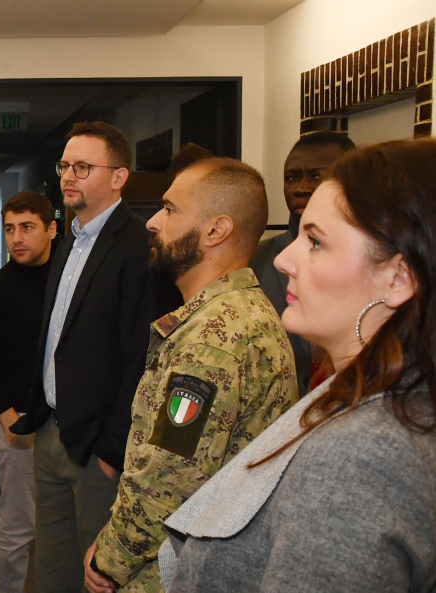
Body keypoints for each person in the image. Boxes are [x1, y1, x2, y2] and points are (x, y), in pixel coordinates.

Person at [158, 139, 436, 593]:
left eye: (316, 242)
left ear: (399, 277)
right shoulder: (373, 397)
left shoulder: (360, 455)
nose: (284, 260)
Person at [85, 158, 299, 593]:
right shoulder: (244, 312)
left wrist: (109, 560)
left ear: (216, 230)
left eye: (170, 209)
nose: (152, 222)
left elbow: (166, 479)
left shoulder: (213, 342)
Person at [11, 121, 182, 593]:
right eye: (65, 166)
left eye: (83, 167)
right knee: (49, 570)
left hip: (98, 450)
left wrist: (111, 450)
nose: (69, 176)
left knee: (99, 575)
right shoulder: (69, 239)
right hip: (51, 433)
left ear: (119, 177)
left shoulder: (137, 246)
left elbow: (141, 358)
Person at [0, 191, 57, 593]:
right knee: (19, 527)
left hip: (64, 423)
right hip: (17, 423)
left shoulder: (68, 282)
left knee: (63, 526)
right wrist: (9, 419)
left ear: (52, 229)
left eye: (27, 228)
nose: (16, 238)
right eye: (9, 229)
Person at [250, 132, 355, 396]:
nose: (301, 188)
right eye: (292, 178)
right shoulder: (258, 260)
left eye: (316, 177)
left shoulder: (369, 264)